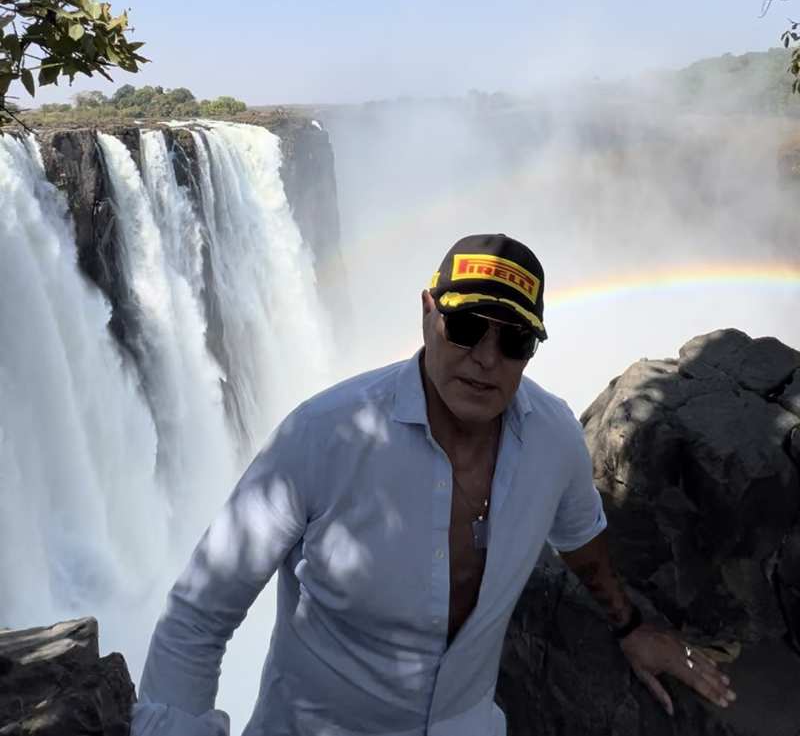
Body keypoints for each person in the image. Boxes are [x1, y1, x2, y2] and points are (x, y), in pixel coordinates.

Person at [132, 233, 736, 735]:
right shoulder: (324, 435)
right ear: (427, 312)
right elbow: (198, 616)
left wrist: (632, 629)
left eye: (514, 339)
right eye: (468, 326)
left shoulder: (553, 439)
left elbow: (582, 541)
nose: (486, 357)